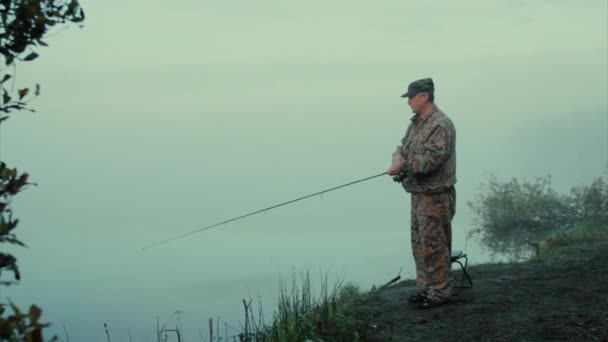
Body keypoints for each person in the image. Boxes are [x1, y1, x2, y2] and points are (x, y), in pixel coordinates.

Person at [387, 77, 457, 309]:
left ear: (424, 96)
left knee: (434, 245)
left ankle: (440, 293)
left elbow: (432, 160)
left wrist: (403, 166)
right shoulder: (416, 123)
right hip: (418, 195)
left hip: (435, 196)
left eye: (411, 97)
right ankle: (426, 288)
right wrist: (397, 158)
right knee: (419, 243)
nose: (408, 102)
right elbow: (402, 147)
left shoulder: (441, 124)